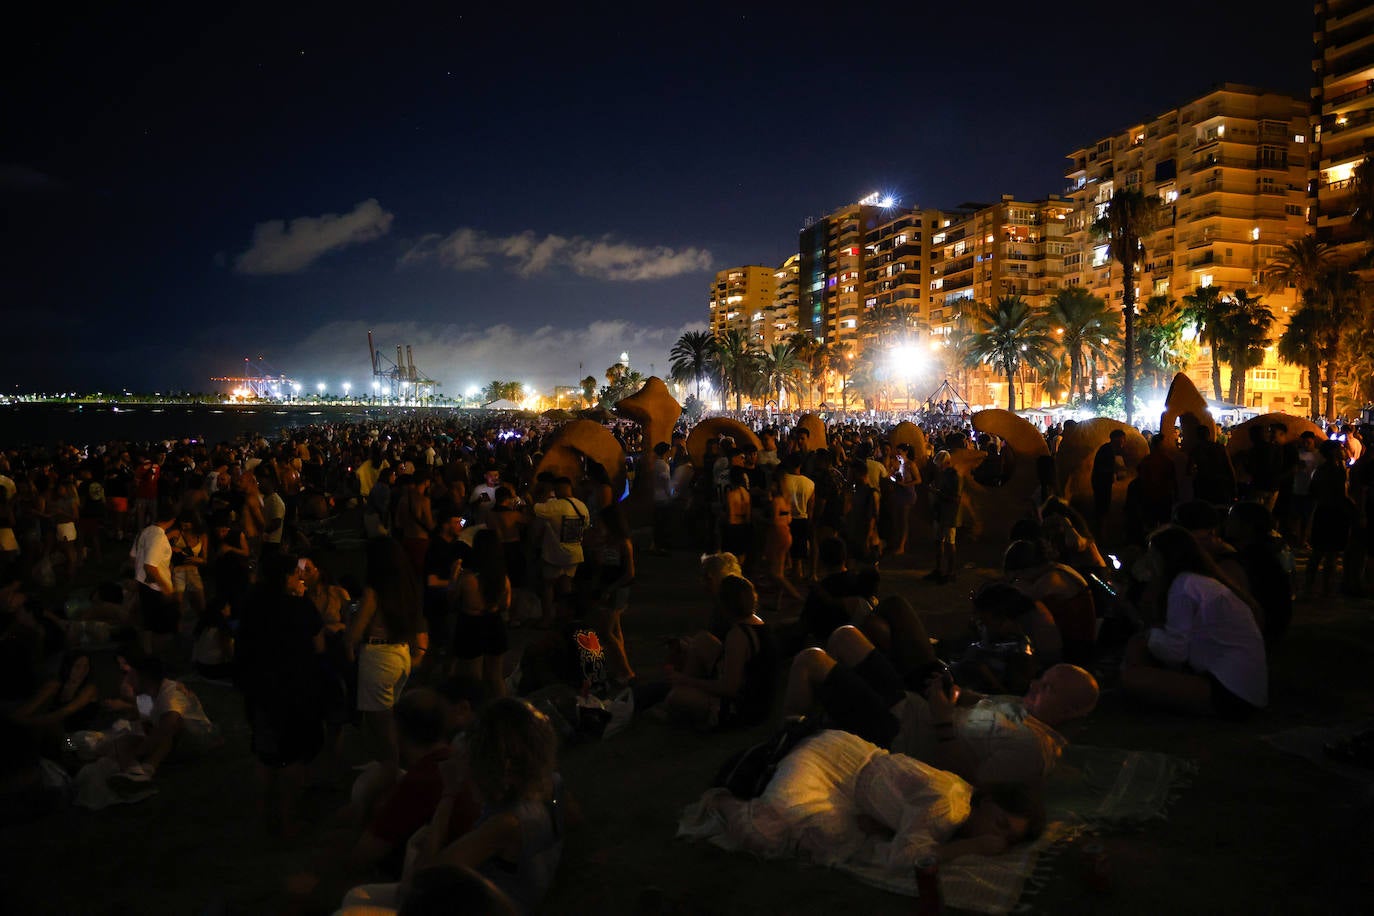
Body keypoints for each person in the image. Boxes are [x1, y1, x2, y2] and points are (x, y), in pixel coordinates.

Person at [782, 625, 1097, 788]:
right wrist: (955, 691)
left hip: (899, 736)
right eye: (1040, 679)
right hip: (915, 707)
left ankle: (784, 742)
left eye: (1047, 688)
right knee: (845, 636)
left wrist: (943, 720)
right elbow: (980, 701)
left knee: (810, 660)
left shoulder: (1030, 748)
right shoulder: (1026, 708)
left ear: (1068, 710)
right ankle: (826, 719)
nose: (1034, 685)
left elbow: (969, 783)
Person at [690, 728, 1044, 871]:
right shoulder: (951, 808)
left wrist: (885, 824)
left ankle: (766, 777)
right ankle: (720, 798)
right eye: (1000, 824)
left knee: (823, 844)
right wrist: (973, 848)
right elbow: (906, 859)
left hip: (856, 795)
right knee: (765, 833)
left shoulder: (960, 808)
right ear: (989, 802)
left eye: (1007, 838)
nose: (997, 838)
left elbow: (906, 828)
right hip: (835, 762)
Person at [424, 698, 566, 915]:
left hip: (493, 907)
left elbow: (423, 882)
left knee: (359, 898)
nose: (465, 773)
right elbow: (572, 820)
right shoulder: (551, 783)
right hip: (513, 896)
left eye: (471, 763)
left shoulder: (505, 824)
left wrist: (448, 794)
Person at [1120, 525, 1267, 717]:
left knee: (1131, 675)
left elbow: (1175, 650)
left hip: (1230, 691)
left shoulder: (1185, 586)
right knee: (1140, 650)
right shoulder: (1199, 582)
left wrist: (1149, 635)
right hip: (1240, 686)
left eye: (1152, 556)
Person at [235, 551, 327, 836]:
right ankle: (288, 820)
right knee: (293, 755)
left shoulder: (252, 605)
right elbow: (319, 646)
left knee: (266, 754)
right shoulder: (299, 608)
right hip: (293, 689)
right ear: (287, 576)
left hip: (260, 688)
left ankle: (262, 817)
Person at [348, 537, 429, 789]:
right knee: (390, 715)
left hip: (379, 656)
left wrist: (348, 642)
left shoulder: (374, 592)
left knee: (381, 724)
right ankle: (394, 768)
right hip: (401, 654)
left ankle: (392, 775)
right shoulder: (407, 587)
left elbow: (355, 633)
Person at [665, 575, 778, 730]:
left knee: (676, 697)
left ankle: (687, 707)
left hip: (743, 709)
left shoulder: (738, 635)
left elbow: (729, 688)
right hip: (751, 692)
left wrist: (685, 680)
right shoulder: (756, 623)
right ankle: (683, 697)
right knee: (701, 640)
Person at [105, 654, 221, 785]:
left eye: (131, 676)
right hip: (171, 741)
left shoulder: (171, 692)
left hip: (196, 739)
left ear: (144, 677)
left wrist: (140, 750)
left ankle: (147, 768)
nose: (128, 681)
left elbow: (168, 725)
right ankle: (133, 770)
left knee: (170, 724)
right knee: (126, 739)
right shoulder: (144, 696)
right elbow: (146, 725)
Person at [452, 530, 511, 699]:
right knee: (495, 676)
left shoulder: (468, 579)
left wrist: (453, 577)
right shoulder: (502, 578)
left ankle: (476, 714)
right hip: (494, 623)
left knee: (473, 676)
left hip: (470, 625)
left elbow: (452, 600)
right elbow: (506, 605)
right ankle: (502, 710)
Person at [532, 477, 589, 629]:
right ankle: (565, 616)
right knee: (566, 586)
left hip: (554, 554)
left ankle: (547, 618)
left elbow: (535, 508)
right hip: (574, 553)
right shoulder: (582, 506)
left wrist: (543, 495)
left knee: (548, 586)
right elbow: (586, 527)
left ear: (558, 489)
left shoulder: (555, 506)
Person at [129, 499, 178, 655]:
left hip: (144, 585)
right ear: (172, 520)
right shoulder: (159, 538)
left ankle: (148, 653)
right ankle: (158, 656)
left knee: (148, 623)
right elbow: (150, 566)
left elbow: (133, 557)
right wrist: (165, 587)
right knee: (161, 627)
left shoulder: (145, 531)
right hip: (156, 588)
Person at [926, 450, 962, 584]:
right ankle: (940, 570)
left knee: (949, 543)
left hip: (948, 514)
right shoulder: (947, 475)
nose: (938, 468)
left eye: (939, 465)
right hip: (942, 513)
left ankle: (950, 572)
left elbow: (955, 498)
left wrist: (937, 493)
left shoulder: (953, 476)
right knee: (939, 541)